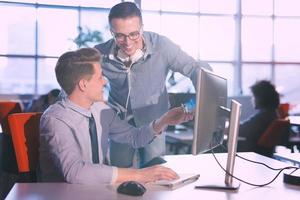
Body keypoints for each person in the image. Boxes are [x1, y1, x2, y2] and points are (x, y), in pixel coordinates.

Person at [38, 48, 194, 184]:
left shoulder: (100, 110)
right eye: (99, 77)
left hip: (97, 191)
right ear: (83, 84)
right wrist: (138, 175)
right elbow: (75, 172)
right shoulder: (55, 119)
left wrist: (165, 120)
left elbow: (134, 137)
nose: (105, 81)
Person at [94, 2, 212, 168]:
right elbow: (78, 79)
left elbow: (194, 68)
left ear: (142, 27)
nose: (128, 42)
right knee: (119, 174)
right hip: (119, 125)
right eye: (120, 36)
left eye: (134, 34)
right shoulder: (100, 54)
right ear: (111, 32)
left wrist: (204, 96)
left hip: (156, 121)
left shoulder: (162, 46)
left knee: (155, 173)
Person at [238, 80, 280, 155]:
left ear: (261, 98)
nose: (252, 99)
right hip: (265, 152)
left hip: (253, 153)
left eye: (254, 96)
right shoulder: (272, 113)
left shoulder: (263, 116)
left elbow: (240, 130)